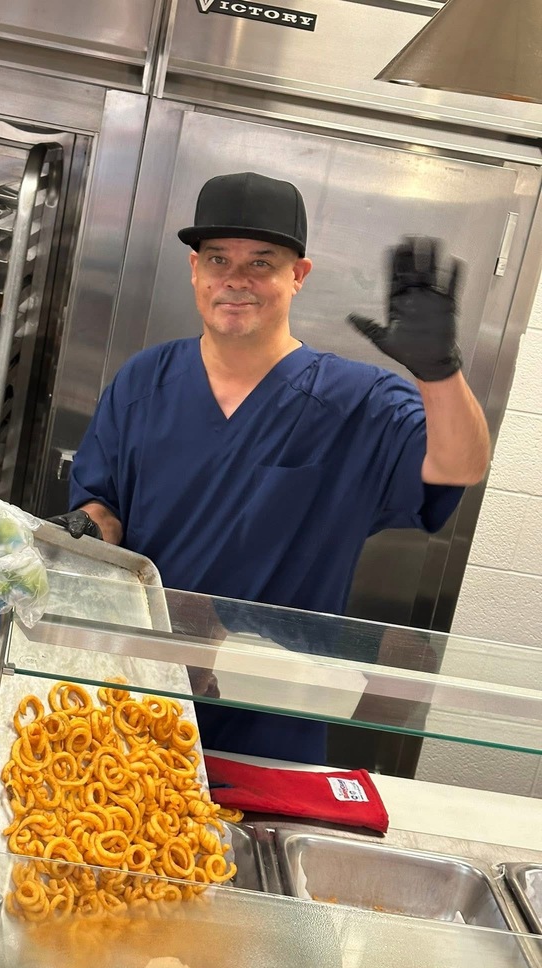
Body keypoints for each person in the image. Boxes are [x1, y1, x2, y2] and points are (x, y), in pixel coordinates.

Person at [48, 171, 490, 764]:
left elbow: (461, 464)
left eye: (262, 262)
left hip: (269, 720)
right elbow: (106, 509)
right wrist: (85, 527)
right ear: (194, 269)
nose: (235, 279)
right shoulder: (144, 380)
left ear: (298, 276)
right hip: (134, 694)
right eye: (217, 259)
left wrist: (439, 370)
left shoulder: (359, 402)